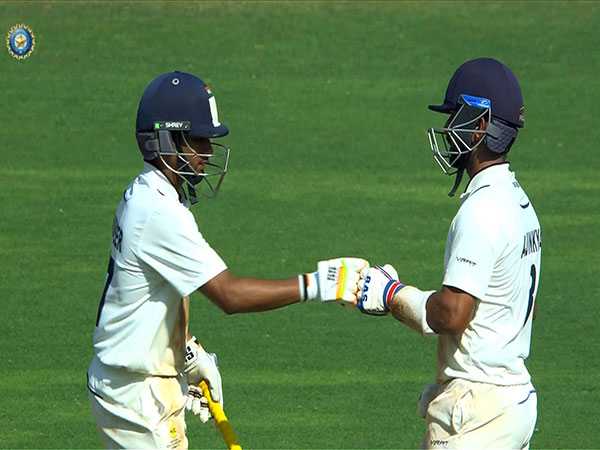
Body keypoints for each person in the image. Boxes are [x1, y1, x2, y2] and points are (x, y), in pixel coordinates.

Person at [86, 70, 367, 449]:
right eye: (199, 141)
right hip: (137, 396)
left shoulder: (152, 193)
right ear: (167, 139)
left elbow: (171, 286)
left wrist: (186, 352)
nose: (207, 153)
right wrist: (319, 283)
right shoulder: (158, 213)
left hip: (127, 383)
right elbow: (228, 295)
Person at [354, 58, 541, 449]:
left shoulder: (482, 210)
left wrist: (392, 295)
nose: (447, 128)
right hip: (513, 401)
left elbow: (452, 314)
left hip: (480, 411)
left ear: (480, 126)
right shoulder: (519, 202)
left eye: (456, 116)